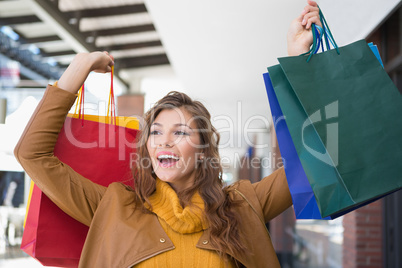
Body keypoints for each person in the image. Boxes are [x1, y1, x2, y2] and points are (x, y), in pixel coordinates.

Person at [14, 1, 321, 267]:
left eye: (181, 131)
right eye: (156, 132)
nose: (164, 140)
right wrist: (79, 68)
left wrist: (298, 63)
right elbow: (31, 154)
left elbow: (311, 158)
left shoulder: (242, 204)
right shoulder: (115, 206)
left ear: (203, 149)